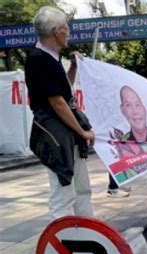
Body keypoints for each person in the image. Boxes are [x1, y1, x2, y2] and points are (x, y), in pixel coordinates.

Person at [25, 6, 95, 219]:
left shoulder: (51, 57)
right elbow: (57, 102)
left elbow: (65, 91)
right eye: (66, 27)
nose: (68, 32)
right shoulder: (37, 58)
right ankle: (64, 245)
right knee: (63, 193)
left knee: (82, 189)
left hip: (67, 133)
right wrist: (82, 132)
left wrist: (73, 67)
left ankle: (88, 234)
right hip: (56, 135)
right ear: (57, 30)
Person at [105, 59, 131, 198]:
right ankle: (112, 187)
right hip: (111, 127)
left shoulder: (117, 86)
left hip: (119, 126)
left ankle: (119, 182)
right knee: (114, 156)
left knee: (122, 155)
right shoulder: (106, 87)